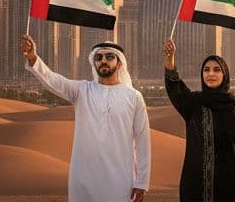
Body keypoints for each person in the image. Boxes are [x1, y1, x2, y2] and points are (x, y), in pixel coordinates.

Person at [21, 35, 150, 202]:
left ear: (119, 63)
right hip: (84, 178)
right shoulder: (82, 90)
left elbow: (142, 140)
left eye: (109, 57)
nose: (103, 61)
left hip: (121, 179)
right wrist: (33, 58)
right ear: (94, 64)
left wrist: (142, 182)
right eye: (98, 57)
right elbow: (54, 80)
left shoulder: (134, 97)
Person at [163, 38, 235, 202]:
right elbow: (176, 90)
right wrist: (170, 61)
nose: (211, 74)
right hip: (196, 186)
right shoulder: (193, 103)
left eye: (217, 70)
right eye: (206, 70)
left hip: (230, 185)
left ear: (225, 74)